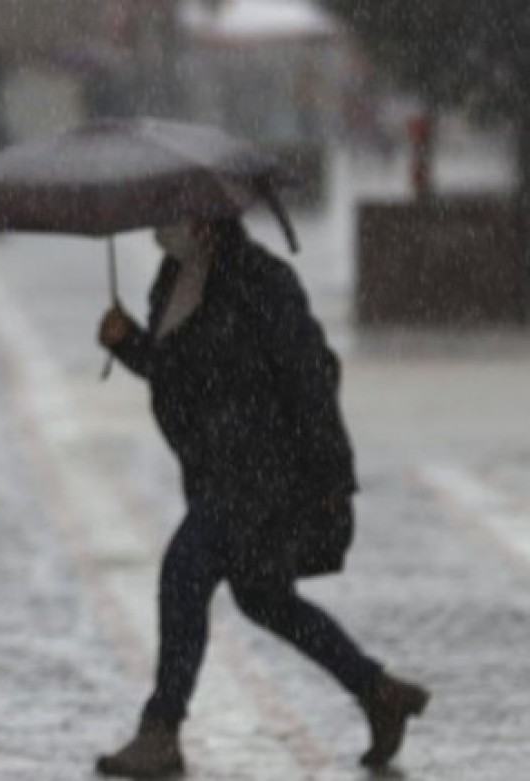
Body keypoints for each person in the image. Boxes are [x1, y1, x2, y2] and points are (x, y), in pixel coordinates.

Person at [93, 217, 429, 777]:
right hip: (217, 469)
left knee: (185, 570)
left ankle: (161, 729)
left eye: (176, 213)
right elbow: (179, 373)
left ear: (208, 218)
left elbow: (310, 378)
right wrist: (129, 343)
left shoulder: (261, 280)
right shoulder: (174, 279)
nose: (163, 225)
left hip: (264, 471)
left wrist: (331, 478)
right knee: (262, 596)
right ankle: (379, 692)